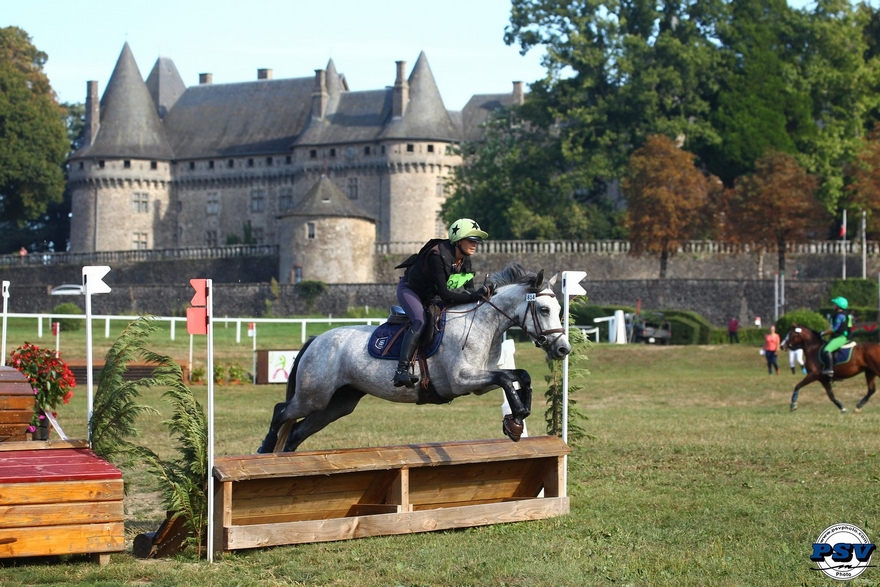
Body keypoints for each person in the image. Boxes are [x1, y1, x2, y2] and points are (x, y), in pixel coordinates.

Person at [392, 218, 492, 388]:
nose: (475, 244)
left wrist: (482, 294)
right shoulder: (437, 256)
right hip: (411, 290)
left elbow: (468, 290)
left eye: (477, 241)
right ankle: (401, 370)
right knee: (420, 320)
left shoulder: (465, 259)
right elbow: (446, 294)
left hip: (432, 294)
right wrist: (475, 296)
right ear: (458, 241)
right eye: (471, 240)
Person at [820, 297, 853, 376]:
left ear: (839, 306)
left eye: (834, 304)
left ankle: (830, 369)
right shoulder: (847, 314)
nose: (833, 306)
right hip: (845, 336)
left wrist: (822, 333)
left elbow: (834, 329)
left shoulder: (839, 316)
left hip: (841, 337)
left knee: (827, 349)